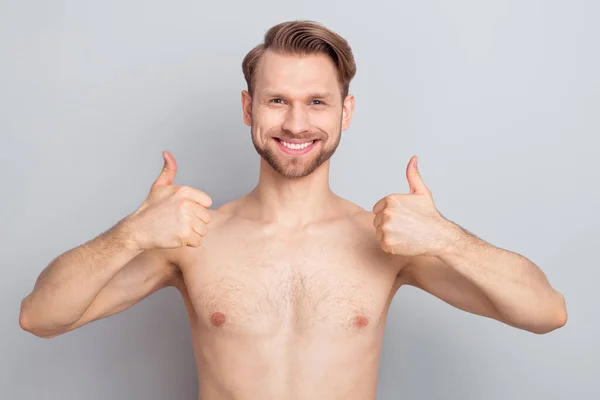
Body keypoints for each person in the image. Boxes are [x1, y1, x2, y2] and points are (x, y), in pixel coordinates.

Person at [19, 20, 567, 400]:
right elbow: (40, 317)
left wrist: (445, 236)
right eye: (277, 100)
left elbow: (545, 312)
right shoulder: (193, 239)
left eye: (317, 102)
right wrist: (133, 233)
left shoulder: (388, 243)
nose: (297, 124)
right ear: (247, 107)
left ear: (346, 112)